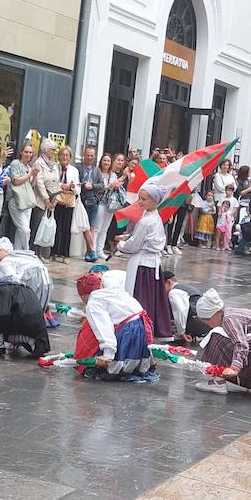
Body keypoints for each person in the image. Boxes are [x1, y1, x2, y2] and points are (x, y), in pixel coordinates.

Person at [191, 288, 251, 394]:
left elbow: (241, 344)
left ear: (210, 317)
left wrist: (234, 368)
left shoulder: (228, 319)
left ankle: (218, 382)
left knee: (215, 336)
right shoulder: (230, 313)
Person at [71, 271, 158, 382]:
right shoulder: (112, 289)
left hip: (129, 329)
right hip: (142, 324)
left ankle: (119, 366)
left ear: (83, 295)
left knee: (109, 365)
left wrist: (108, 354)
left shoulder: (94, 302)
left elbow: (103, 328)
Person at [114, 182, 172, 339]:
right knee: (151, 299)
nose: (139, 202)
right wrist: (128, 237)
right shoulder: (154, 217)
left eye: (143, 199)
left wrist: (121, 244)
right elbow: (142, 238)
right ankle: (147, 329)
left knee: (140, 299)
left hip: (143, 264)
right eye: (139, 198)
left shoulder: (147, 220)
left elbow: (134, 245)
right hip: (152, 264)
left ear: (154, 200)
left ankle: (138, 331)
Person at [0, 270, 50, 357]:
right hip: (38, 328)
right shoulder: (19, 285)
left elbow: (2, 314)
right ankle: (32, 341)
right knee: (1, 321)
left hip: (26, 325)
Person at [0, 236, 51, 311]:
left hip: (31, 277)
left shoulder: (6, 261)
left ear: (4, 250)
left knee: (27, 298)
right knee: (39, 299)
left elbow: (11, 278)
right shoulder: (19, 256)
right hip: (45, 277)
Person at [49, 145, 80, 262]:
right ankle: (53, 252)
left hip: (68, 202)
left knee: (66, 228)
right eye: (62, 155)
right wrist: (62, 186)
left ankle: (65, 254)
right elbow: (51, 184)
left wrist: (72, 187)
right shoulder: (54, 168)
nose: (64, 157)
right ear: (59, 156)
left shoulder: (74, 170)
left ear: (70, 157)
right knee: (55, 227)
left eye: (67, 155)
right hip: (56, 201)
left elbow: (78, 188)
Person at [6, 142, 39, 250]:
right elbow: (15, 181)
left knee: (21, 230)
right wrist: (30, 174)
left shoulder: (29, 167)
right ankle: (26, 251)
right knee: (25, 230)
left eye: (30, 152)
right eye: (26, 152)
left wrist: (34, 176)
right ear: (21, 152)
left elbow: (32, 185)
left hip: (27, 201)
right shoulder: (15, 163)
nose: (28, 154)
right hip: (15, 200)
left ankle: (17, 253)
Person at [30, 139, 59, 258]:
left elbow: (57, 182)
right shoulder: (39, 162)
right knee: (37, 227)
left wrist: (55, 198)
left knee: (46, 228)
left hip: (52, 200)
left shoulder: (54, 164)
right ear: (45, 149)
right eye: (52, 149)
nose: (54, 152)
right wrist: (46, 199)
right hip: (40, 201)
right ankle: (33, 253)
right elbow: (39, 183)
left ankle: (42, 254)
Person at [78, 147, 106, 261]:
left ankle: (89, 252)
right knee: (86, 227)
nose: (89, 158)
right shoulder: (78, 167)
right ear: (83, 155)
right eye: (87, 155)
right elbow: (75, 181)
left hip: (93, 201)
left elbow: (102, 186)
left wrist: (92, 186)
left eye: (91, 156)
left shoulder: (97, 170)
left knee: (91, 228)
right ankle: (92, 250)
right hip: (82, 200)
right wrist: (82, 184)